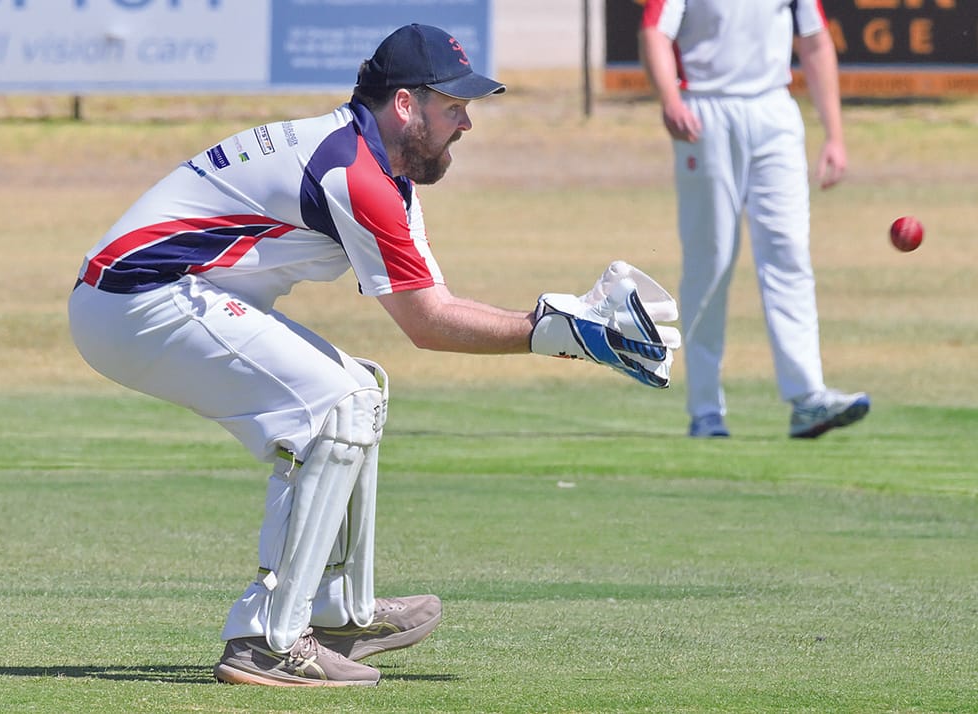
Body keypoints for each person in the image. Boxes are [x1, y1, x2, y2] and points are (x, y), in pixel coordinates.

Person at [68, 23, 681, 687]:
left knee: (362, 389)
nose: (467, 124)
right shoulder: (353, 170)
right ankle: (267, 640)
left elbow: (436, 302)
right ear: (406, 105)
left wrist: (559, 324)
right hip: (136, 300)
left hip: (161, 294)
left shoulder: (380, 168)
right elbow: (428, 324)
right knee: (339, 405)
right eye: (455, 107)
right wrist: (566, 333)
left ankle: (333, 611)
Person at [637, 0, 871, 438]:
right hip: (704, 111)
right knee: (711, 260)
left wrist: (835, 135)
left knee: (789, 253)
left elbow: (816, 43)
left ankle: (807, 398)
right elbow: (654, 32)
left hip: (774, 111)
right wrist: (670, 98)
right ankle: (705, 409)